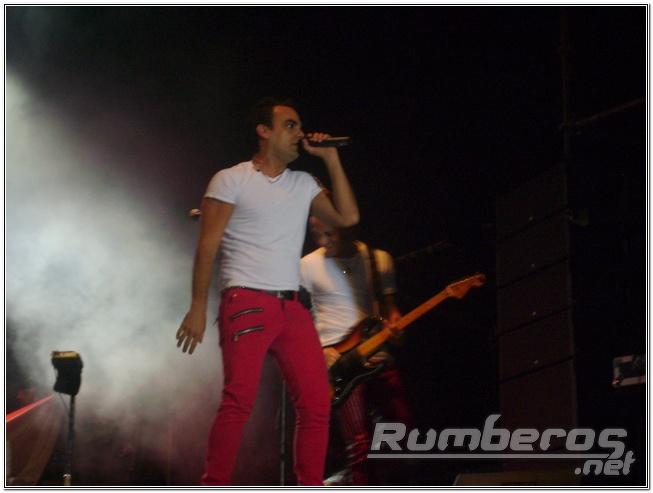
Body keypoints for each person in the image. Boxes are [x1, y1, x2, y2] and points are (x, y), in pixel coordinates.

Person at [175, 98, 359, 486]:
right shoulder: (231, 179)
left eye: (299, 126)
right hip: (246, 300)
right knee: (239, 400)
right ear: (264, 131)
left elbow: (347, 217)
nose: (300, 133)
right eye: (290, 125)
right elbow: (207, 246)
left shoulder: (303, 184)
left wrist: (330, 159)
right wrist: (197, 307)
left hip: (291, 307)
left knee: (317, 403)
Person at [300, 217, 411, 485]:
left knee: (402, 435)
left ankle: (349, 480)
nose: (322, 241)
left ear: (347, 228)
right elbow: (292, 322)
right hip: (338, 364)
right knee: (359, 444)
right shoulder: (306, 266)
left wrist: (397, 330)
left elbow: (390, 313)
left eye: (329, 234)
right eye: (316, 234)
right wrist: (318, 353)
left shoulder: (379, 259)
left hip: (377, 357)